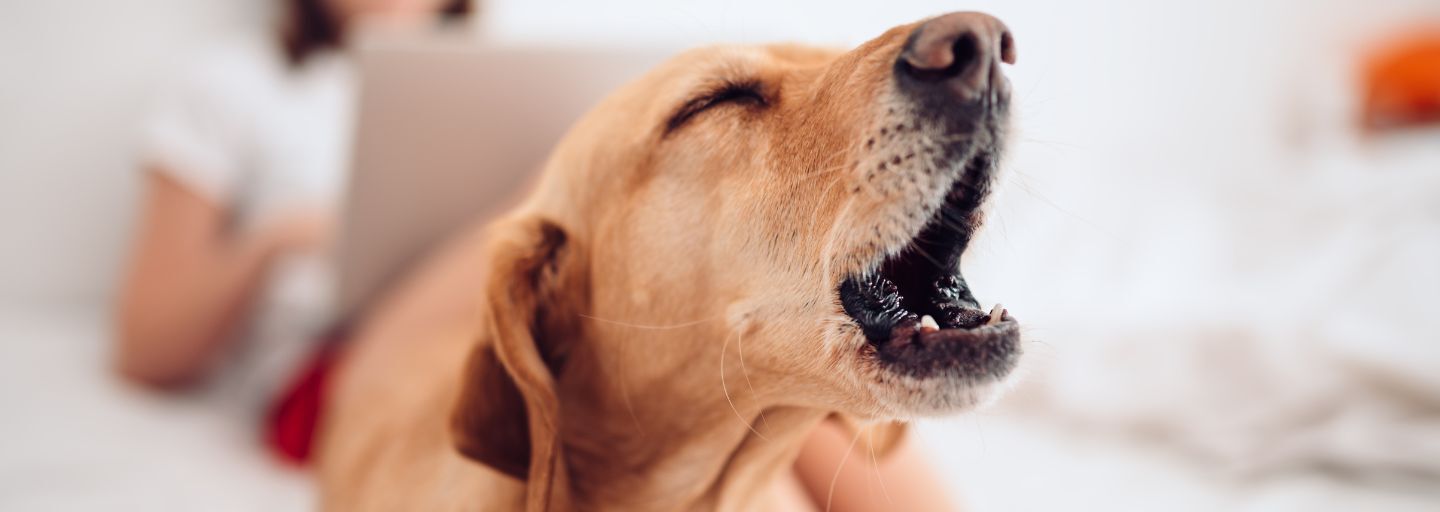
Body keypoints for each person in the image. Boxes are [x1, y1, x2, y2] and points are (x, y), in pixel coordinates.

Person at [113, 1, 957, 509]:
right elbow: (147, 344)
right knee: (582, 191)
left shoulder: (506, 65)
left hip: (544, 314)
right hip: (338, 361)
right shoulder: (235, 84)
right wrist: (279, 238)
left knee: (741, 362)